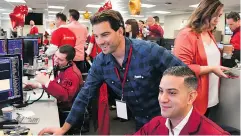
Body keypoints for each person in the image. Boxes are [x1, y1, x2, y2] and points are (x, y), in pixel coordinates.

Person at [38, 9, 185, 135]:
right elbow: (84, 95)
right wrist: (63, 129)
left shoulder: (149, 51)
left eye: (105, 34)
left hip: (172, 121)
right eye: (96, 36)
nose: (100, 41)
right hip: (143, 123)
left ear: (120, 31)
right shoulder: (101, 62)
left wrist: (176, 103)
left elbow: (185, 74)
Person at [134, 66, 230, 135]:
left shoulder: (213, 133)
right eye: (161, 91)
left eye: (172, 93)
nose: (162, 99)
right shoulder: (155, 124)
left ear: (191, 97)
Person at [173, 0, 229, 116]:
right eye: (215, 16)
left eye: (219, 16)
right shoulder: (187, 35)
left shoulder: (209, 33)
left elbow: (210, 59)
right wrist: (212, 69)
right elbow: (181, 69)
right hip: (195, 97)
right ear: (205, 13)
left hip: (211, 95)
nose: (218, 20)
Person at [25, 45, 83, 109]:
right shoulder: (63, 67)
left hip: (68, 109)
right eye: (55, 56)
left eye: (60, 59)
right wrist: (38, 85)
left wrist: (47, 82)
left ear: (69, 61)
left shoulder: (72, 74)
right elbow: (58, 84)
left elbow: (66, 97)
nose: (55, 60)